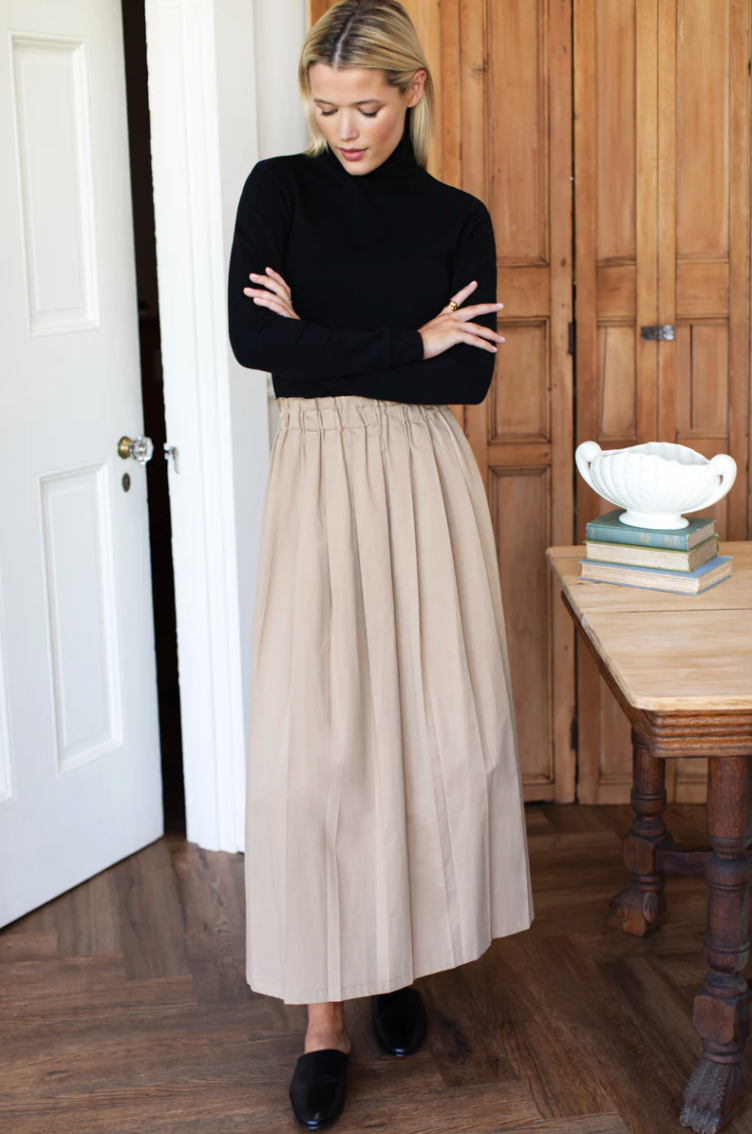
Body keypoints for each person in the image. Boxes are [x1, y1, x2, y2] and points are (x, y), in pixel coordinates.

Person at [227, 0, 534, 1127]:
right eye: (324, 109)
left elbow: (466, 387)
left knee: (423, 736)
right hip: (318, 486)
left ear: (410, 92)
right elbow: (260, 346)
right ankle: (320, 1018)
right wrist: (408, 339)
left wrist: (331, 344)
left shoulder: (457, 216)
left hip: (424, 481)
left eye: (364, 108)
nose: (344, 130)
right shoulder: (279, 190)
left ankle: (396, 958)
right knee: (314, 755)